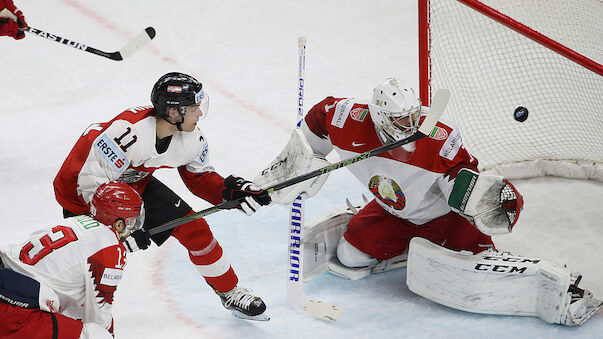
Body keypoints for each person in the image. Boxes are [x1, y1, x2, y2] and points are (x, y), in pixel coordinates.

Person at [257, 77, 601, 325]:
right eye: (399, 120)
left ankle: (457, 249)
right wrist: (304, 160)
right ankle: (409, 248)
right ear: (379, 117)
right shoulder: (348, 119)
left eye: (413, 116)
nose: (410, 125)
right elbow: (318, 118)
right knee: (349, 258)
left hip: (447, 217)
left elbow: (465, 176)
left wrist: (479, 198)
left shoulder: (440, 139)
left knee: (477, 268)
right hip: (393, 212)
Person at [53, 72, 272, 321]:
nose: (200, 114)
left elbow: (199, 178)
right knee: (97, 265)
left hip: (132, 185)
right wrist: (119, 230)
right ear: (173, 113)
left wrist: (228, 191)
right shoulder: (127, 134)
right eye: (194, 108)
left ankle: (229, 290)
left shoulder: (191, 138)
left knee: (195, 229)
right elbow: (89, 185)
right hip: (83, 195)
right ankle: (65, 316)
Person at [0, 181, 143, 338]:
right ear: (119, 223)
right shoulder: (110, 247)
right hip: (15, 315)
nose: (132, 228)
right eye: (131, 221)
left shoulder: (73, 222)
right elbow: (99, 315)